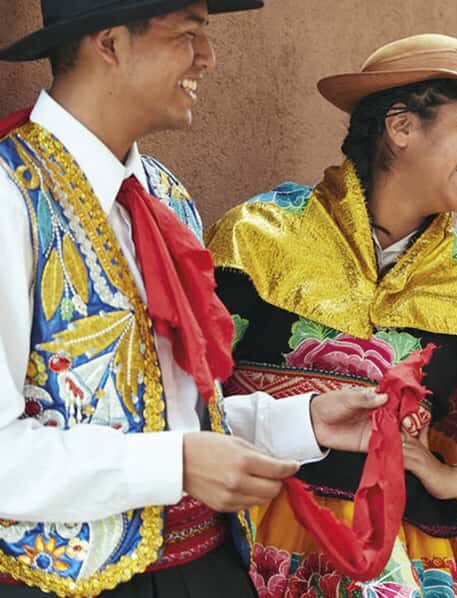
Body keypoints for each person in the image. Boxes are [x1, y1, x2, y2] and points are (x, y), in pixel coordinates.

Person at [0, 2, 390, 596]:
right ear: (109, 44)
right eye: (188, 35)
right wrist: (175, 464)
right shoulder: (10, 199)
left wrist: (302, 420)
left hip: (204, 568)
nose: (207, 59)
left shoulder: (162, 195)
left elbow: (174, 418)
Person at [205, 33, 457, 597]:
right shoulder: (260, 235)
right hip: (261, 531)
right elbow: (186, 391)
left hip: (408, 551)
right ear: (402, 126)